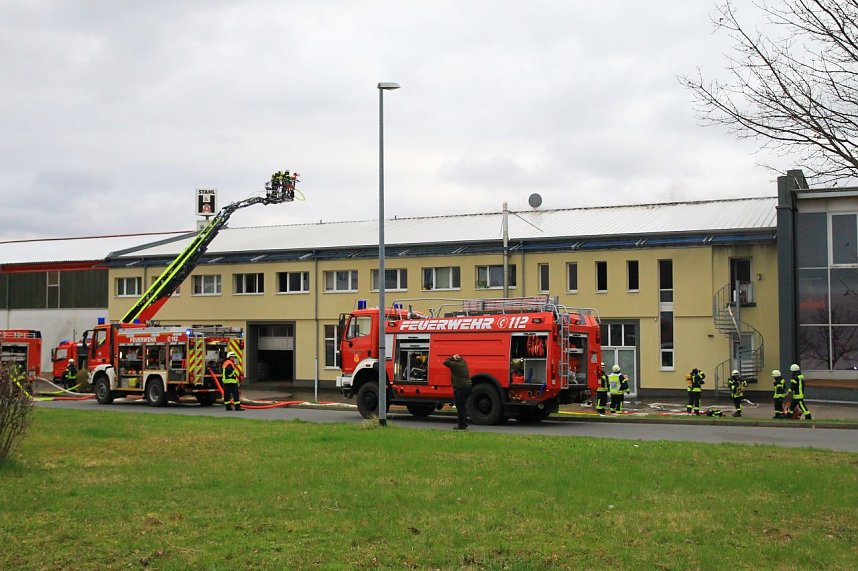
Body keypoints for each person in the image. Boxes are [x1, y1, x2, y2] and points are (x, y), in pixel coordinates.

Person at [443, 354, 471, 429]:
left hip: (460, 387)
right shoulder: (464, 363)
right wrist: (458, 357)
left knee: (460, 407)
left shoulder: (455, 365)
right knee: (463, 406)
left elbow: (445, 362)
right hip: (468, 387)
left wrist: (452, 357)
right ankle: (464, 423)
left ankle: (461, 425)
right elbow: (462, 359)